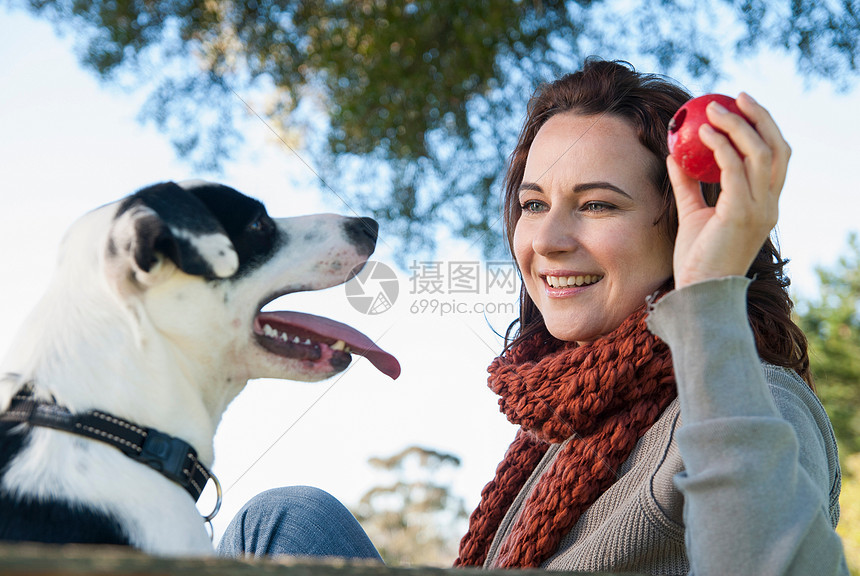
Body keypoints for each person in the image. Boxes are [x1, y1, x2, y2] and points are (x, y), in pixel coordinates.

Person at [218, 59, 847, 575]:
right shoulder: (567, 426)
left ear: (685, 226)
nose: (546, 239)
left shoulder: (753, 398)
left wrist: (711, 293)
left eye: (598, 205)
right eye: (534, 203)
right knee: (281, 519)